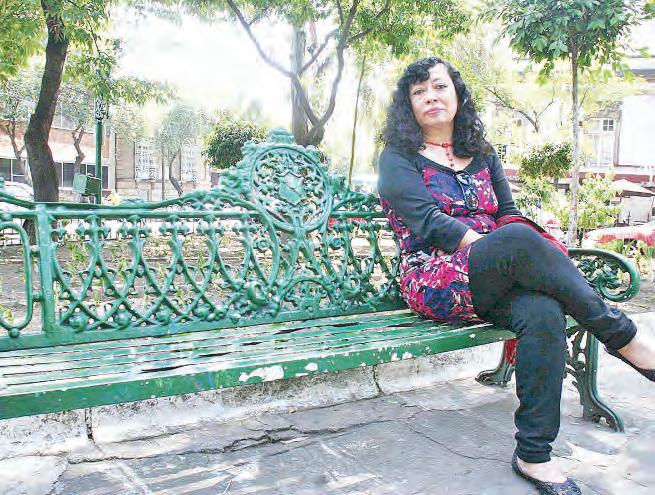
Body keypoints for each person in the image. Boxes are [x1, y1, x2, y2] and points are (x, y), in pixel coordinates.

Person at [377, 56, 655, 495]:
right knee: (518, 241)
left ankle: (534, 455)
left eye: (439, 87)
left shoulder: (483, 154)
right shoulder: (397, 159)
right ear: (408, 105)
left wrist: (506, 252)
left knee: (542, 312)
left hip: (499, 272)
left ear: (457, 94)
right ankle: (625, 338)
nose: (430, 96)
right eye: (419, 91)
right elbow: (427, 222)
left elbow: (507, 213)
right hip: (434, 277)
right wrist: (497, 250)